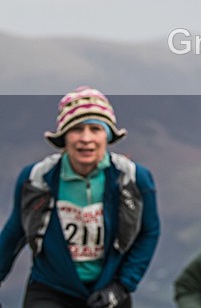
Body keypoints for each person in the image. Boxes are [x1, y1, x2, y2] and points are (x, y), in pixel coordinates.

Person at [0, 86, 160, 307]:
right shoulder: (36, 178)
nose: (86, 139)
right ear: (64, 136)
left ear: (108, 135)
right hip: (50, 289)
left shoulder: (135, 179)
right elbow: (14, 234)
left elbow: (149, 231)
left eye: (95, 129)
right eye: (76, 129)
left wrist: (122, 286)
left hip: (109, 290)